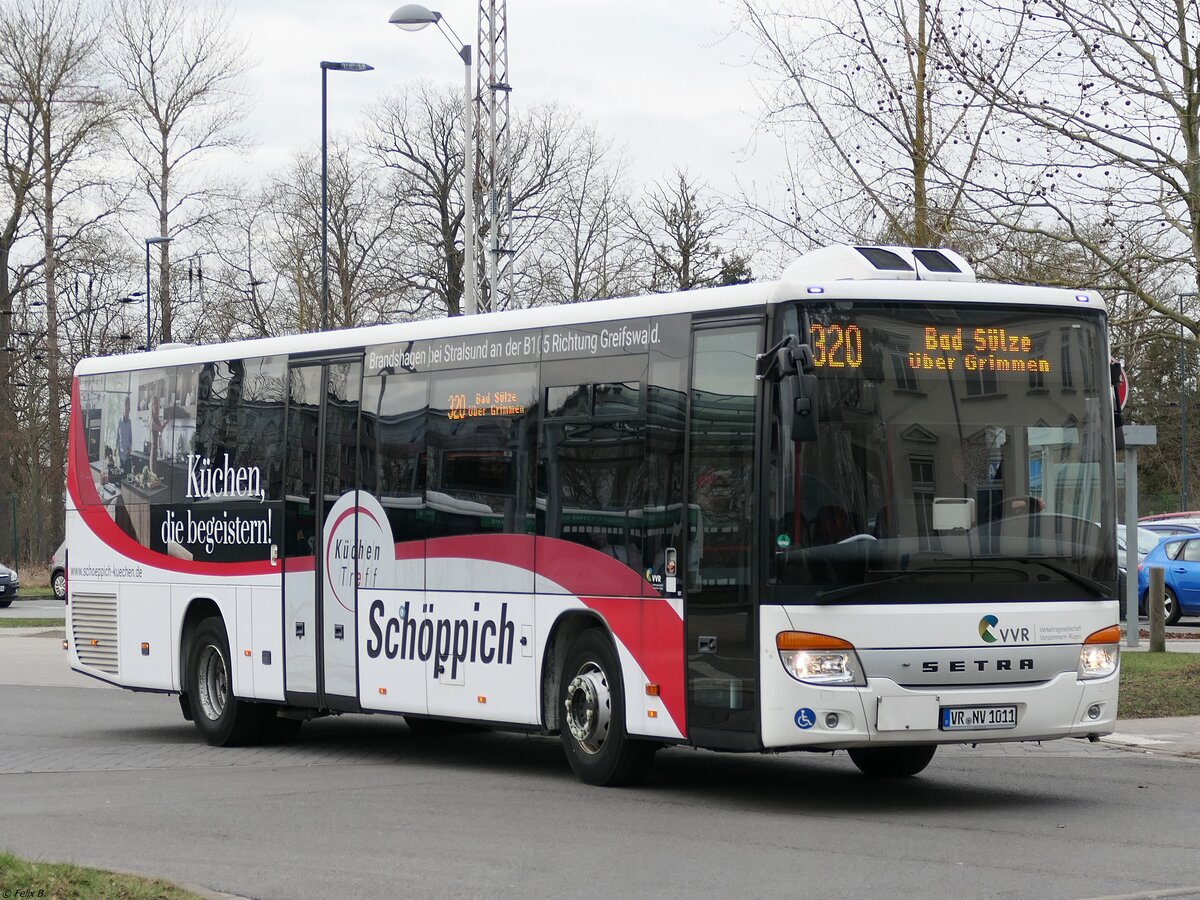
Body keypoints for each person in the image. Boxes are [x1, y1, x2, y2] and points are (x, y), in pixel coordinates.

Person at [116, 396, 133, 474]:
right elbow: (117, 437)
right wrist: (115, 450)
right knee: (120, 474)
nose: (127, 412)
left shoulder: (129, 422)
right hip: (120, 454)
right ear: (123, 409)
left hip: (128, 453)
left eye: (128, 410)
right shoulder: (119, 421)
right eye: (126, 410)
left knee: (127, 475)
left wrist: (129, 448)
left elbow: (130, 437)